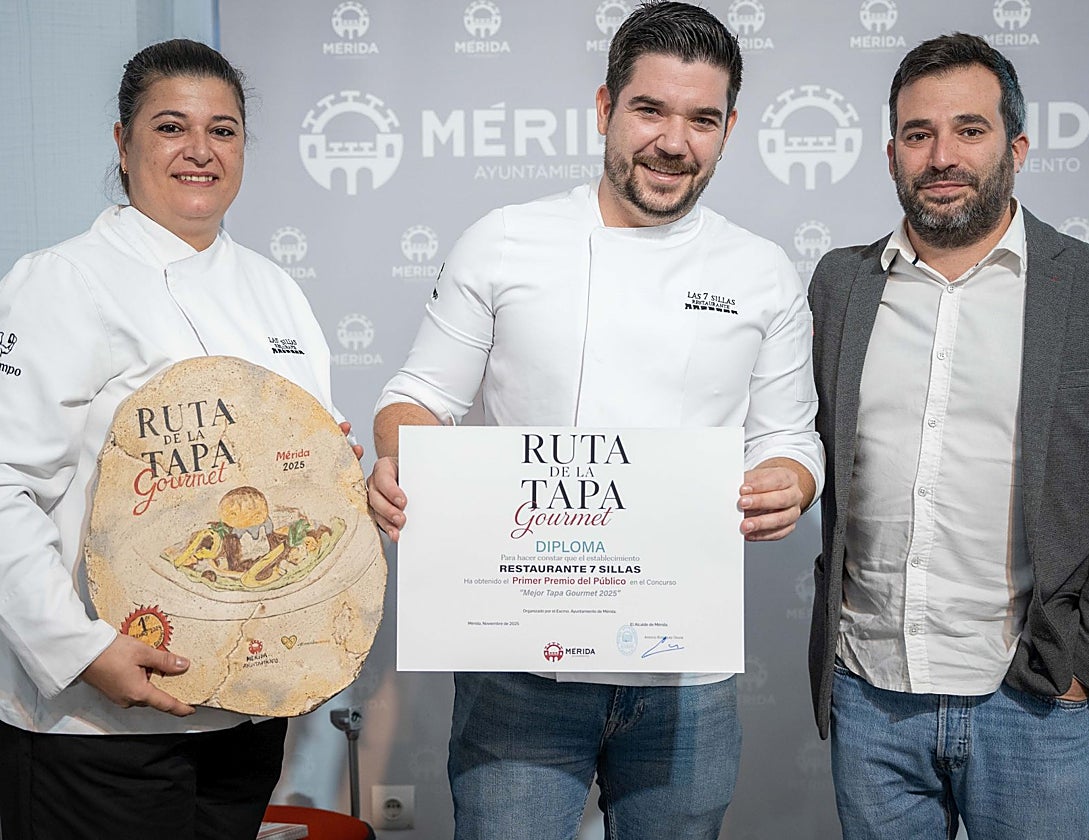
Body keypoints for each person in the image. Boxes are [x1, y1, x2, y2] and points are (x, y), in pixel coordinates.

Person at [366, 3, 823, 837]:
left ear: (728, 129)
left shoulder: (760, 272)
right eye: (651, 110)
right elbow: (417, 397)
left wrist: (789, 482)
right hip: (519, 665)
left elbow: (789, 439)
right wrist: (410, 461)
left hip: (684, 664)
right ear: (606, 107)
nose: (675, 142)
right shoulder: (505, 241)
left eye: (703, 119)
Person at [806, 32, 1089, 840]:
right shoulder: (842, 286)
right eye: (919, 135)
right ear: (891, 155)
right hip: (871, 697)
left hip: (1033, 704)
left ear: (1016, 146)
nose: (942, 155)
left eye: (969, 130)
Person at [0, 39, 357, 840]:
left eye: (224, 131)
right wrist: (82, 651)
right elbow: (2, 484)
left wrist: (342, 486)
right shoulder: (60, 282)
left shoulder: (276, 290)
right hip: (95, 728)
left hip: (245, 713)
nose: (201, 151)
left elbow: (298, 474)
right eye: (172, 127)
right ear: (123, 146)